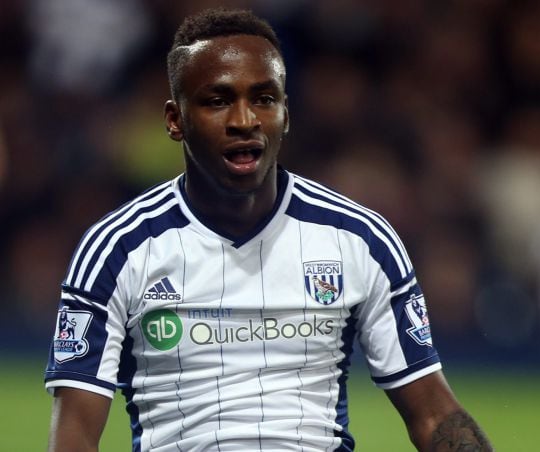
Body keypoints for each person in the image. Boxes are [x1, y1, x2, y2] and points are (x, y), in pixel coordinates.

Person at [45, 8, 493, 452]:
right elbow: (75, 438)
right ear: (175, 120)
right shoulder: (117, 250)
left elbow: (434, 414)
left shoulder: (360, 241)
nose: (245, 121)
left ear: (285, 112)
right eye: (218, 101)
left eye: (264, 98)